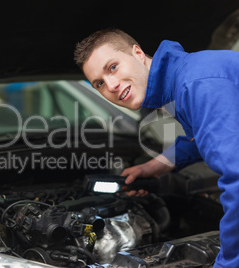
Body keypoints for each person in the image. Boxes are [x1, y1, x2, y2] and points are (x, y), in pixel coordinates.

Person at [74, 28, 239, 268]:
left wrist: (228, 263)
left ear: (138, 53)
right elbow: (206, 135)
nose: (110, 85)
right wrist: (154, 166)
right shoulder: (185, 77)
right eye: (98, 83)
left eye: (113, 67)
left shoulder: (195, 85)